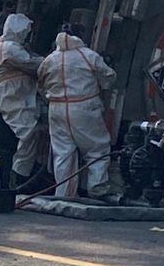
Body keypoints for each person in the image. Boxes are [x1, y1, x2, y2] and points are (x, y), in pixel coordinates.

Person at [37, 26, 117, 198]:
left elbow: (41, 85)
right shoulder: (88, 55)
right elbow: (109, 76)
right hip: (83, 106)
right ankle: (97, 188)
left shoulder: (50, 60)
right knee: (97, 148)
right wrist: (102, 87)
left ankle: (64, 194)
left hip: (56, 108)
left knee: (63, 153)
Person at [0, 13, 44, 188]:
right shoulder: (9, 48)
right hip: (12, 95)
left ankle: (30, 174)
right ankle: (18, 178)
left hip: (21, 94)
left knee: (38, 131)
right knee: (28, 132)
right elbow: (33, 64)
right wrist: (54, 60)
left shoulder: (10, 46)